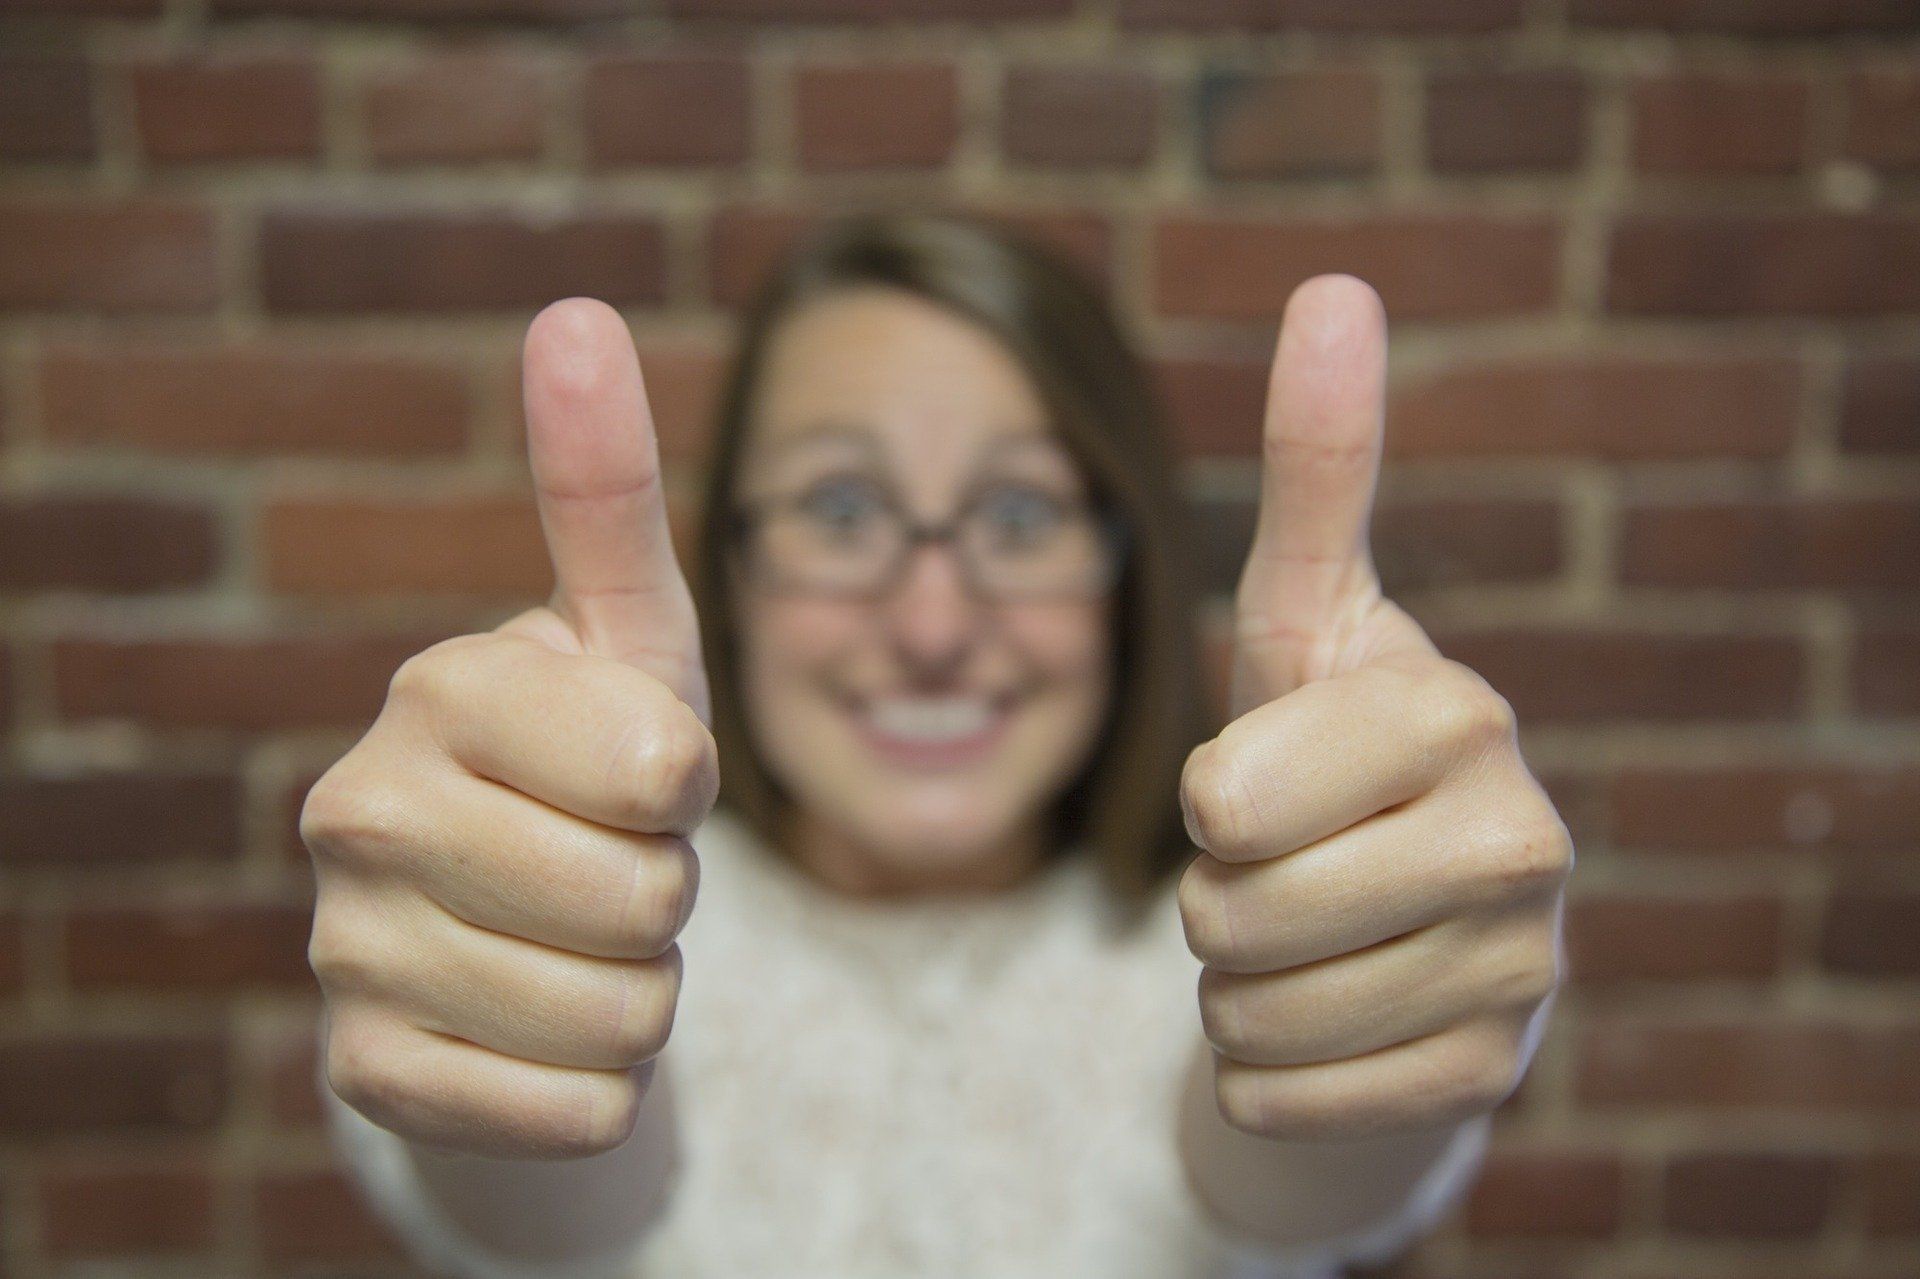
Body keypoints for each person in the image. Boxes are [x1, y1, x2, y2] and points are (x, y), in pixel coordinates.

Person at [301, 214, 1571, 1278]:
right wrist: (518, 1007)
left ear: (1124, 567)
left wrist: (1357, 964)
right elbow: (544, 1207)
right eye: (840, 506)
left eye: (1019, 513)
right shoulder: (568, 916)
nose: (931, 626)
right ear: (731, 566)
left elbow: (1296, 1170)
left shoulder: (1235, 942)